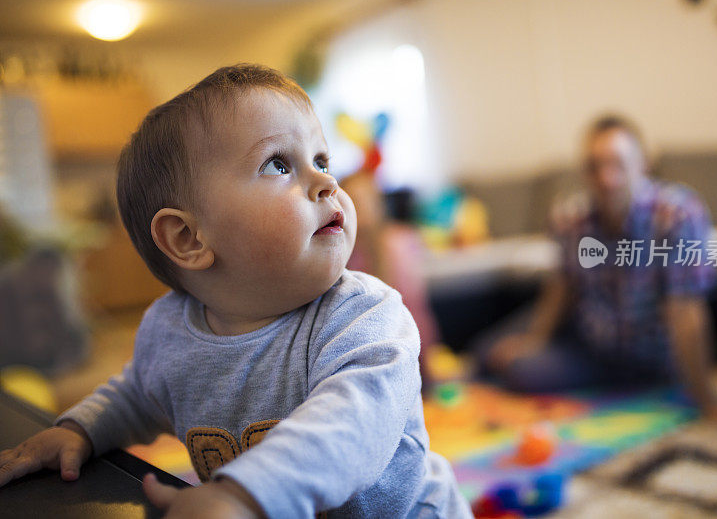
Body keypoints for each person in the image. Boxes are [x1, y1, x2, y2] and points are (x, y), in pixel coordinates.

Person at [0, 64, 472, 519]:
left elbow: (352, 425)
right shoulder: (169, 333)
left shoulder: (366, 316)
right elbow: (136, 397)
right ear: (189, 239)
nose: (327, 181)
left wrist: (248, 495)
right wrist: (79, 430)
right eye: (279, 165)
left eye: (321, 160)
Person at [485, 115, 717, 420]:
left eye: (618, 164)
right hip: (588, 342)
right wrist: (534, 340)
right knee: (488, 351)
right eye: (595, 167)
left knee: (519, 372)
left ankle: (623, 383)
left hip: (648, 358)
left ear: (642, 163)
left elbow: (686, 311)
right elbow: (562, 287)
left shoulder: (677, 215)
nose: (607, 178)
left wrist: (707, 401)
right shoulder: (572, 219)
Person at [341, 171, 441, 390]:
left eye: (367, 201)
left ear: (379, 204)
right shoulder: (343, 254)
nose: (362, 209)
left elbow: (414, 305)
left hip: (414, 340)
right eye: (355, 201)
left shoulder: (401, 241)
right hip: (371, 349)